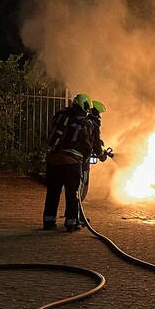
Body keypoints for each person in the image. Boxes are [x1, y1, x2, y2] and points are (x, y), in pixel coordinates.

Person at [42, 93, 94, 231]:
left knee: (53, 192)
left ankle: (48, 221)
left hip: (53, 160)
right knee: (72, 193)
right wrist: (85, 160)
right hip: (71, 162)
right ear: (85, 106)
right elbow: (87, 145)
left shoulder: (61, 116)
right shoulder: (85, 122)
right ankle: (71, 222)